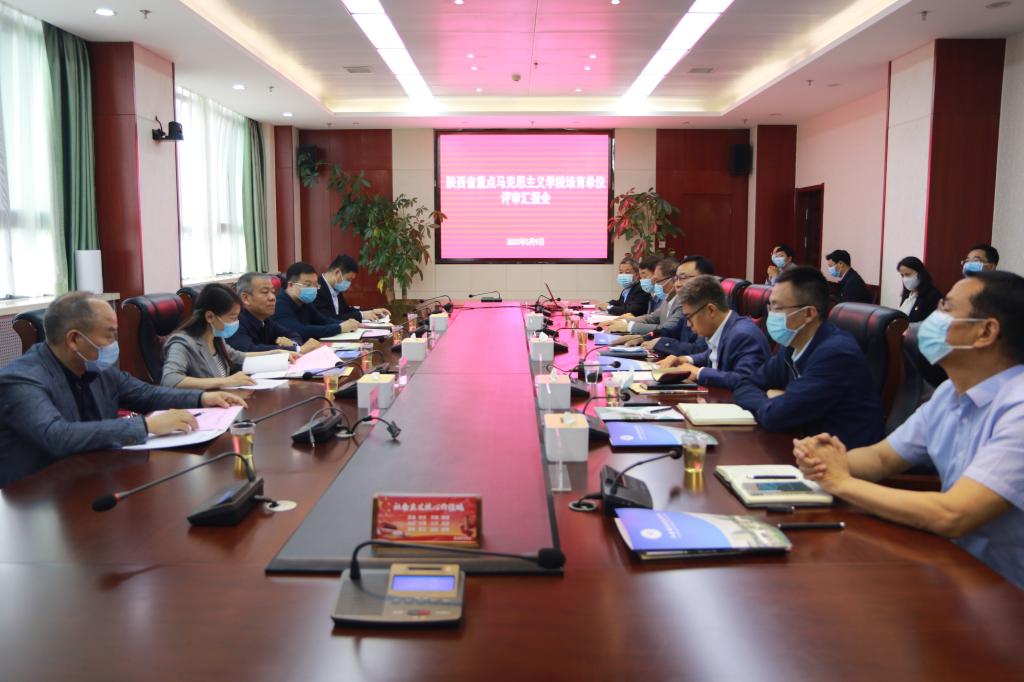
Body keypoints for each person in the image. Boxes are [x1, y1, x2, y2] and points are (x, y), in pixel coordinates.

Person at [793, 271, 1024, 589]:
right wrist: (823, 460)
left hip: (1007, 592)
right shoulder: (949, 394)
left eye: (946, 307)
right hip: (954, 568)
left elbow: (954, 514)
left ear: (985, 331)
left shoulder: (1018, 409)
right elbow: (881, 458)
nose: (932, 318)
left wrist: (841, 482)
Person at [0, 292, 246, 487]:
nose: (114, 344)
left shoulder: (96, 368)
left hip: (93, 476)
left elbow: (148, 394)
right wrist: (147, 426)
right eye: (109, 335)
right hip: (37, 496)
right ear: (74, 339)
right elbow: (57, 436)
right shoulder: (21, 380)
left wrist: (203, 398)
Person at [733, 266, 884, 448]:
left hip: (842, 458)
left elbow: (777, 417)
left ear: (808, 313)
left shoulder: (835, 355)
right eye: (770, 306)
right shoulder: (792, 345)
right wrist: (772, 401)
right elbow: (744, 384)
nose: (771, 314)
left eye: (777, 307)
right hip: (803, 446)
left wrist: (776, 402)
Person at [161, 284, 296, 389]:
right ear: (210, 316)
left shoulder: (215, 336)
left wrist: (275, 353)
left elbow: (237, 356)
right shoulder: (182, 342)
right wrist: (226, 381)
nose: (236, 322)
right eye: (233, 317)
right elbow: (170, 379)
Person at [656, 275, 770, 389]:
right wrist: (684, 359)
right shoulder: (725, 328)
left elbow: (746, 380)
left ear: (711, 310)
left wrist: (699, 372)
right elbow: (712, 355)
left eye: (689, 317)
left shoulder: (743, 335)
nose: (689, 324)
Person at [229, 273, 321, 354]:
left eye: (273, 292)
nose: (272, 297)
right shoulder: (234, 321)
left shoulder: (265, 319)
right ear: (245, 298)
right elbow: (248, 351)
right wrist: (296, 349)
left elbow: (293, 335)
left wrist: (292, 343)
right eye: (265, 292)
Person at [601, 257, 683, 342]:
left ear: (674, 279)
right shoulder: (667, 299)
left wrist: (629, 326)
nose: (654, 283)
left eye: (657, 281)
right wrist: (623, 321)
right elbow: (650, 318)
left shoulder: (681, 303)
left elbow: (665, 329)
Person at [647, 255, 715, 357]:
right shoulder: (690, 305)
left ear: (705, 280)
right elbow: (672, 331)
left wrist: (661, 343)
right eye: (676, 279)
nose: (677, 285)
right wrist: (644, 338)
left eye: (683, 278)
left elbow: (699, 350)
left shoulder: (710, 309)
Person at [273, 262, 360, 341]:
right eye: (308, 284)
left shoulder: (304, 301)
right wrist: (339, 328)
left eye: (315, 284)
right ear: (291, 285)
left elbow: (323, 320)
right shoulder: (279, 304)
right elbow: (299, 331)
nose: (313, 288)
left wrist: (346, 323)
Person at [314, 254, 389, 323]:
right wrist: (362, 315)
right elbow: (328, 318)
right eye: (348, 279)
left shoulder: (335, 287)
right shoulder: (317, 289)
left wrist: (372, 311)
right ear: (337, 272)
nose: (349, 283)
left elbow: (346, 310)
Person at [896, 256, 941, 322]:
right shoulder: (907, 294)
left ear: (920, 273)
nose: (905, 279)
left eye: (908, 274)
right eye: (902, 275)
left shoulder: (933, 296)